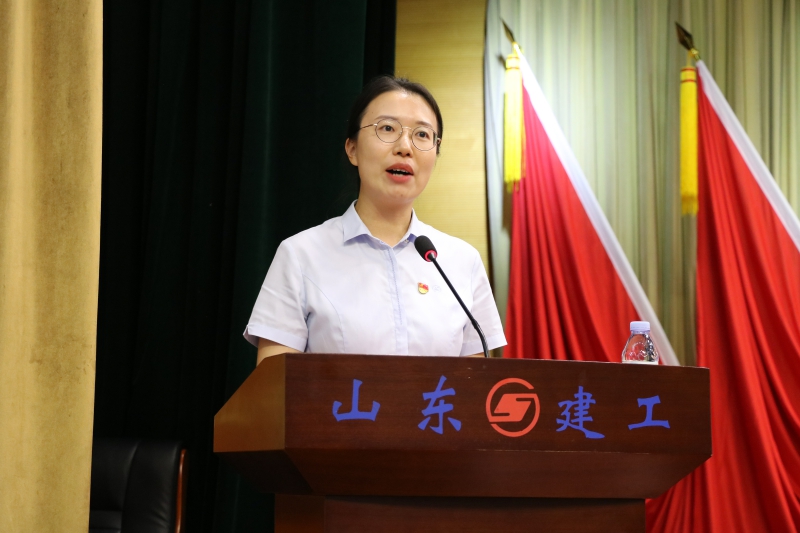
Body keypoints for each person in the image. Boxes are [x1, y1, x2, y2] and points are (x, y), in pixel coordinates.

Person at [244, 76, 506, 365]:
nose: (405, 147)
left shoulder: (462, 262)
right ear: (352, 149)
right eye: (387, 128)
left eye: (422, 134)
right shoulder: (300, 255)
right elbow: (275, 384)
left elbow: (476, 384)